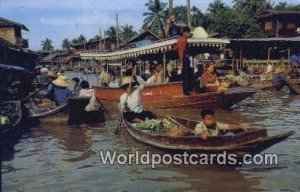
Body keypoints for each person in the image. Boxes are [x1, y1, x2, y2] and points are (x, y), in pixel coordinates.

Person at [177, 26, 193, 95]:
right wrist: (181, 62)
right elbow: (181, 51)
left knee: (188, 74)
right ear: (185, 32)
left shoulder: (183, 39)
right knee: (186, 75)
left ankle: (188, 89)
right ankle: (186, 92)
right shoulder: (182, 40)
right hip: (184, 59)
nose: (189, 34)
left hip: (185, 59)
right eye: (188, 33)